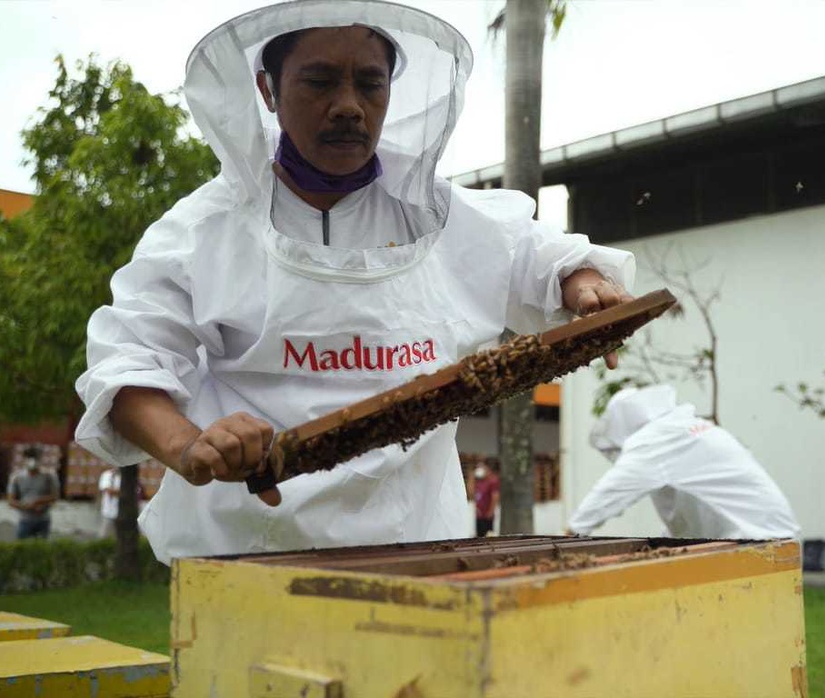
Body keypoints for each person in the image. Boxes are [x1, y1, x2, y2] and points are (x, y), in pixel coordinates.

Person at [75, 1, 634, 565]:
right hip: (248, 548)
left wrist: (585, 286)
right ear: (268, 91)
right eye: (318, 81)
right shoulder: (201, 231)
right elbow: (128, 366)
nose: (347, 106)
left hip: (419, 547)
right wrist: (190, 445)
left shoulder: (442, 217)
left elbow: (546, 257)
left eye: (371, 84)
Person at [567, 385, 800, 540]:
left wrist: (573, 531)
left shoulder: (657, 439)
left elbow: (612, 492)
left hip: (756, 539)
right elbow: (685, 507)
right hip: (770, 533)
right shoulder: (683, 430)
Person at [7, 447, 60, 540]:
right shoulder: (16, 477)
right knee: (22, 549)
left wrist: (39, 501)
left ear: (40, 459)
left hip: (43, 519)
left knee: (41, 548)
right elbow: (11, 500)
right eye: (29, 458)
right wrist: (25, 506)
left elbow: (55, 496)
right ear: (24, 460)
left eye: (35, 458)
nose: (32, 462)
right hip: (25, 520)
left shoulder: (49, 476)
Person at [473, 458, 500, 537]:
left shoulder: (493, 481)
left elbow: (495, 497)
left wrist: (490, 511)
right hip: (479, 514)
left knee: (488, 536)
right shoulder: (480, 481)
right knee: (479, 536)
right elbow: (475, 495)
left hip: (487, 515)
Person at [97, 467, 121, 539]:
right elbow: (109, 491)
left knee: (119, 538)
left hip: (122, 513)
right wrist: (123, 492)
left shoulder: (126, 477)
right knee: (104, 536)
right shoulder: (107, 475)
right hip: (108, 512)